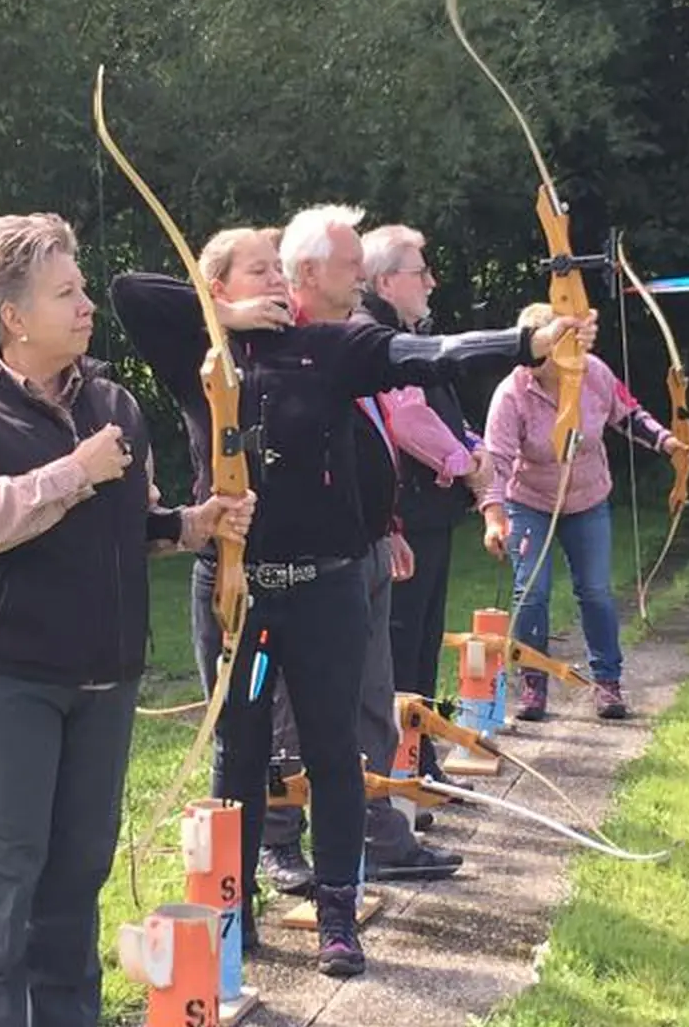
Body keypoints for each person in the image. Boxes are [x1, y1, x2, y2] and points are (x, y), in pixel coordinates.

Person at [110, 208, 596, 978]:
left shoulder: (329, 347)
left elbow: (426, 354)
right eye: (260, 268)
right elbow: (130, 291)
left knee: (333, 748)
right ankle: (234, 916)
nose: (276, 278)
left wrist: (527, 342)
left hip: (324, 594)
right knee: (239, 750)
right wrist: (224, 319)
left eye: (280, 265)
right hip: (237, 592)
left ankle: (339, 913)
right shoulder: (199, 354)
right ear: (218, 287)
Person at [0, 213, 253, 1027]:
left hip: (105, 674)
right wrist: (75, 469)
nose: (87, 305)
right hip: (9, 675)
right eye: (65, 293)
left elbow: (127, 523)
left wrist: (195, 524)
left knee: (77, 874)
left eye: (83, 288)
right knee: (0, 877)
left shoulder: (114, 403)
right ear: (13, 317)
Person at [258, 212, 463, 889]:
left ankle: (378, 835)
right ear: (308, 273)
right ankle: (278, 840)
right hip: (303, 564)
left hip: (367, 545)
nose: (361, 280)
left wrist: (388, 520)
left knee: (373, 702)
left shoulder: (350, 342)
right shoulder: (279, 352)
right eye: (351, 267)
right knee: (292, 711)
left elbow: (368, 442)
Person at [479, 301, 689, 721]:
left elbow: (629, 415)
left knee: (595, 590)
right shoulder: (512, 392)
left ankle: (607, 683)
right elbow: (497, 461)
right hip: (529, 502)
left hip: (588, 499)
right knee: (531, 592)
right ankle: (533, 682)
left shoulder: (594, 373)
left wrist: (670, 443)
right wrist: (494, 516)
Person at [356, 224, 491, 785]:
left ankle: (420, 762)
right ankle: (397, 775)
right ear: (386, 282)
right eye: (421, 272)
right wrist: (465, 463)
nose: (432, 282)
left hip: (428, 515)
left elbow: (444, 412)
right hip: (403, 518)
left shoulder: (412, 336)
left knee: (423, 642)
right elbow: (408, 419)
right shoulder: (379, 340)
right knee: (400, 646)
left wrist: (474, 448)